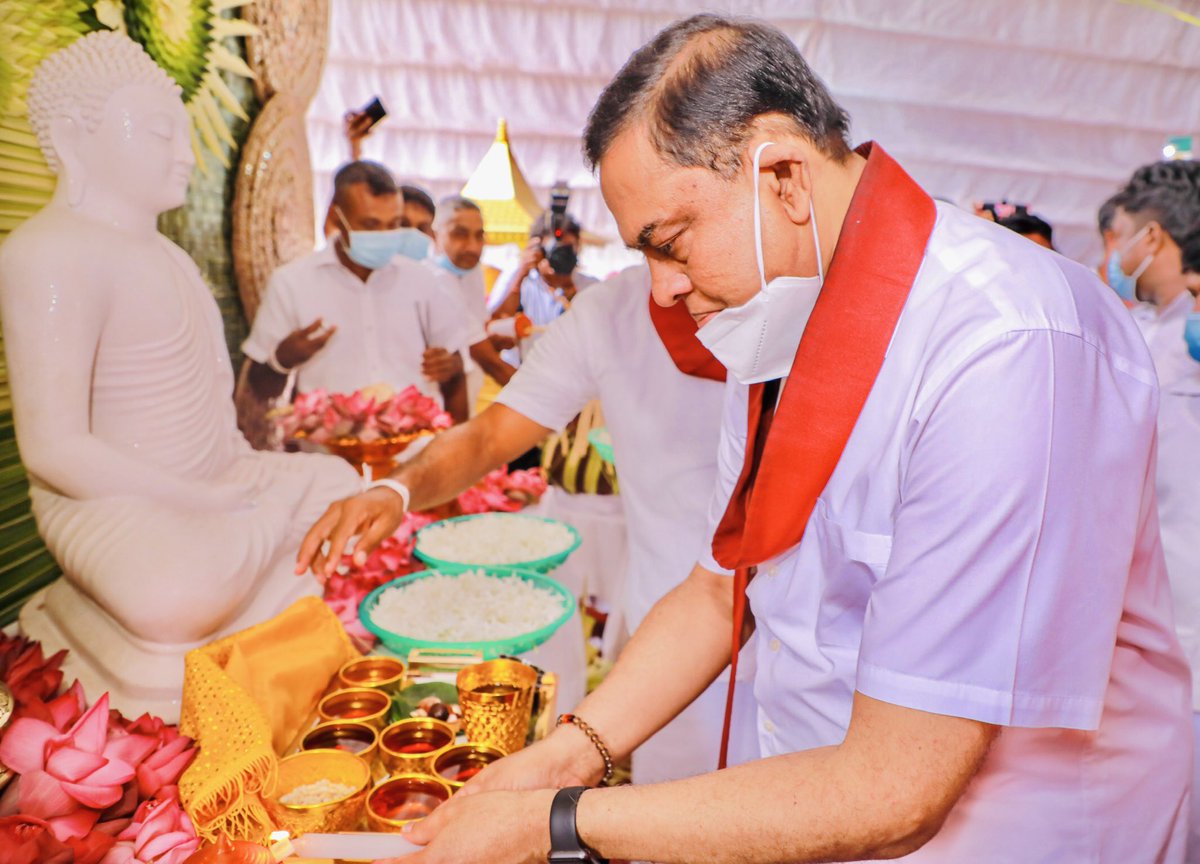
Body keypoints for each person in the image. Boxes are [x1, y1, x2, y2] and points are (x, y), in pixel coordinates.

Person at [364, 15, 1188, 863]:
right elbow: (722, 586)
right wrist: (565, 755)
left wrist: (561, 823)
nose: (664, 289)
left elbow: (898, 787)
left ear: (786, 176)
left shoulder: (1003, 342)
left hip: (1020, 835)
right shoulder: (777, 316)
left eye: (670, 244)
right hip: (816, 801)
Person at [0, 31, 360, 717]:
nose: (186, 155)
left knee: (340, 482)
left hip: (212, 487)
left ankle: (252, 547)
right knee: (177, 595)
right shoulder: (47, 253)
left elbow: (218, 430)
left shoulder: (168, 258)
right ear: (77, 137)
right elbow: (53, 450)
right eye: (160, 133)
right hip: (108, 505)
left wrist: (237, 485)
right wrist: (195, 500)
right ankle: (235, 565)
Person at [299, 263, 760, 784]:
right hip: (677, 647)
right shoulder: (612, 312)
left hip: (812, 653)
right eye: (644, 245)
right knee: (680, 822)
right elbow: (490, 436)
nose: (664, 276)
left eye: (673, 235)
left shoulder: (824, 296)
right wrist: (397, 488)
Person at [243, 161, 471, 422]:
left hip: (415, 448)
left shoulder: (423, 280)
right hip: (329, 451)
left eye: (393, 224)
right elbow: (258, 387)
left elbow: (456, 372)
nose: (384, 236)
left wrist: (450, 367)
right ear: (335, 216)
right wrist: (282, 359)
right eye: (371, 225)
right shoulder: (292, 283)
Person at [1107, 160, 1200, 388]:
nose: (1116, 252)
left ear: (1151, 237)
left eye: (1120, 235)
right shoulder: (1140, 324)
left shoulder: (1191, 334)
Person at [429, 196, 517, 410]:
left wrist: (492, 342)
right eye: (460, 234)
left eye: (479, 236)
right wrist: (557, 408)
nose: (473, 247)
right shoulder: (433, 278)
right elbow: (490, 362)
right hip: (433, 410)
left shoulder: (472, 271)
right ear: (435, 236)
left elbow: (473, 336)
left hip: (466, 401)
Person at [491, 211, 597, 367]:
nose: (562, 257)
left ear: (578, 247)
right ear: (538, 250)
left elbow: (597, 335)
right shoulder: (518, 279)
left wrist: (570, 290)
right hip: (522, 375)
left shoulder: (591, 287)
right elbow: (494, 323)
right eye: (555, 250)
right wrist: (521, 274)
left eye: (567, 250)